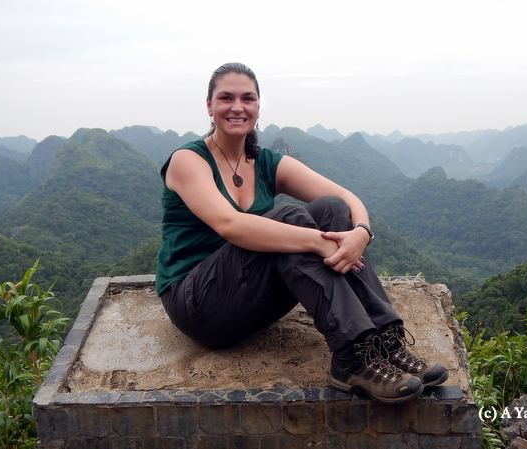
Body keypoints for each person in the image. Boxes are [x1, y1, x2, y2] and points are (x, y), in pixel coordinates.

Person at [156, 62, 447, 404]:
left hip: (250, 299)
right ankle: (351, 357)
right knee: (292, 217)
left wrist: (360, 234)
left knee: (332, 210)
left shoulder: (264, 162)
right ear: (209, 106)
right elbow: (230, 225)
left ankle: (384, 340)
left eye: (247, 98)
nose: (238, 107)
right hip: (199, 305)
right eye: (226, 98)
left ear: (258, 106)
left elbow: (346, 198)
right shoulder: (188, 160)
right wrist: (317, 242)